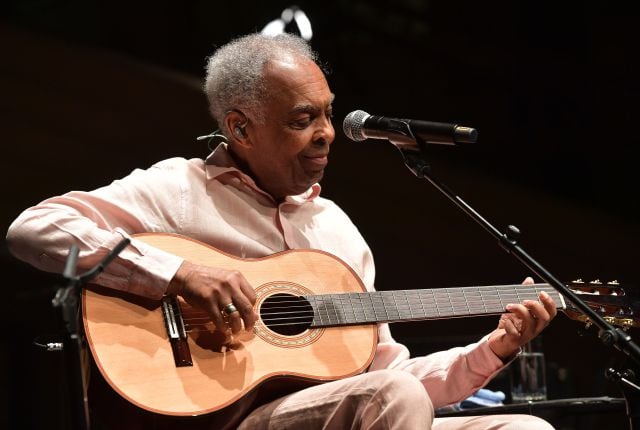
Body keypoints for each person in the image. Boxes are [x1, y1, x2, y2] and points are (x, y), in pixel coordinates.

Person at [6, 33, 557, 429]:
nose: (326, 135)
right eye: (301, 120)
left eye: (327, 114)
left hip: (330, 413)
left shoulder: (336, 230)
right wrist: (177, 273)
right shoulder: (176, 189)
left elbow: (395, 377)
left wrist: (495, 349)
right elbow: (33, 229)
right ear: (240, 127)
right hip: (216, 417)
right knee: (392, 394)